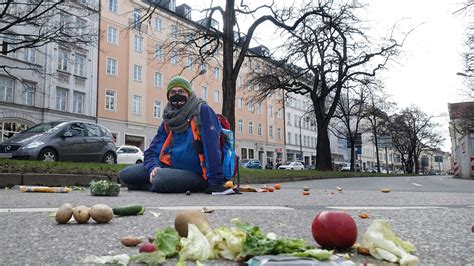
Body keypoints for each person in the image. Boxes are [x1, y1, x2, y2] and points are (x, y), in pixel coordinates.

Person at [119, 76, 228, 194]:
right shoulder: (169, 118)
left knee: (160, 179)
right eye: (173, 92)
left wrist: (215, 183)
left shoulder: (202, 111)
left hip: (198, 173)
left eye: (181, 91)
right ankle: (153, 184)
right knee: (126, 175)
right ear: (168, 96)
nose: (177, 94)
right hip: (171, 168)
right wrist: (153, 167)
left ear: (189, 93)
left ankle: (150, 185)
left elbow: (212, 148)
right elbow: (152, 151)